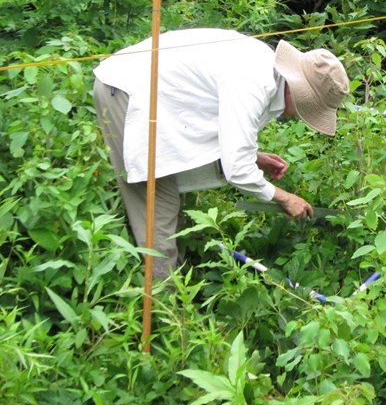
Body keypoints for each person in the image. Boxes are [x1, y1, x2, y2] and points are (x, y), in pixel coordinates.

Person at [93, 28, 349, 279]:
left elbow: (221, 123)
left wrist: (255, 157)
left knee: (172, 208)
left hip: (160, 100)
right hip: (129, 92)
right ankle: (165, 308)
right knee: (159, 210)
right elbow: (237, 168)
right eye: (310, 107)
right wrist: (283, 197)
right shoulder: (253, 81)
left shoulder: (264, 72)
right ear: (297, 89)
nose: (305, 116)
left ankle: (174, 288)